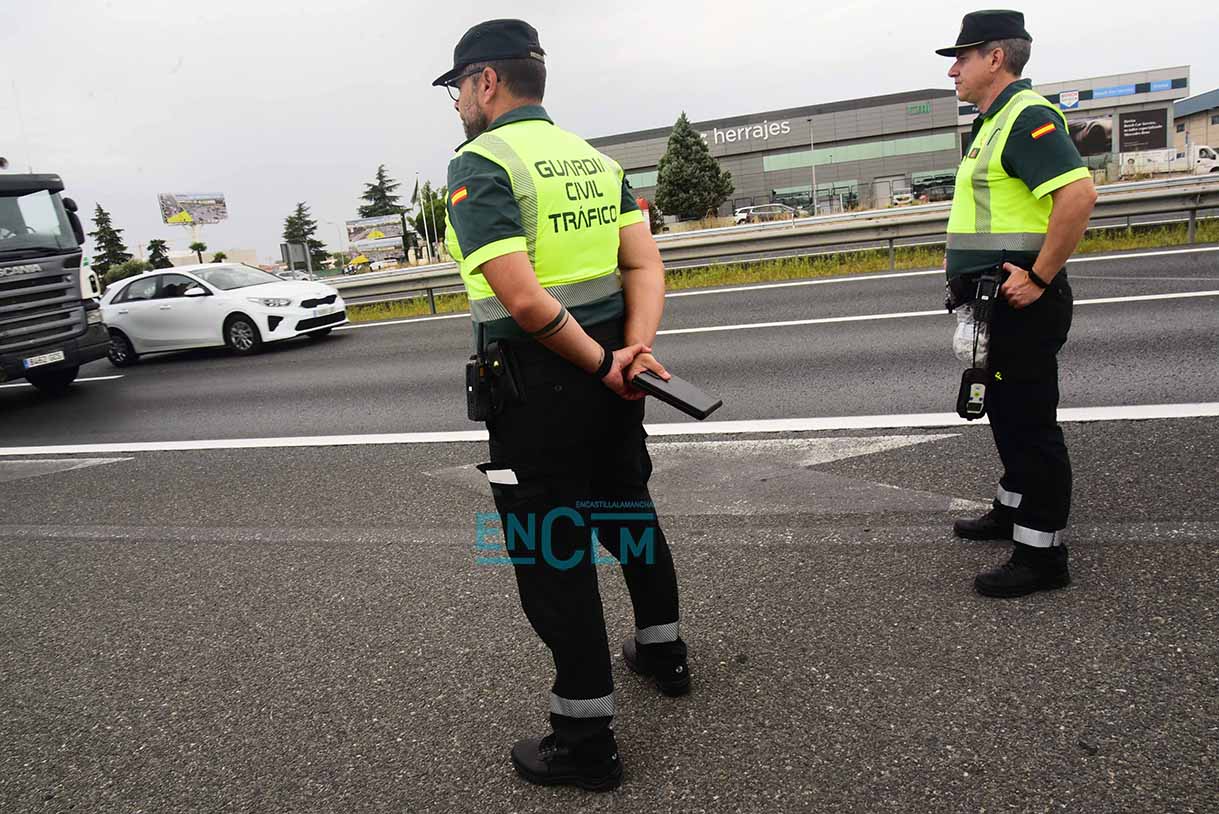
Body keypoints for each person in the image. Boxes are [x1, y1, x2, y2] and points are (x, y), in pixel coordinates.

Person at [433, 19, 689, 791]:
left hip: (539, 382)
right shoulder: (594, 160)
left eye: (455, 90)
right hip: (616, 372)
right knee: (627, 510)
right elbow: (643, 262)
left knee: (551, 550)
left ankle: (585, 740)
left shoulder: (480, 165)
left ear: (484, 82)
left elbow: (516, 292)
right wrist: (631, 354)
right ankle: (664, 652)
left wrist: (599, 362)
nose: (455, 107)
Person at [937, 10, 1097, 597]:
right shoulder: (993, 121)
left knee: (1031, 425)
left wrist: (1038, 275)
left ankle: (1042, 555)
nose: (954, 69)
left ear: (995, 58)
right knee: (1005, 412)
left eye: (963, 56)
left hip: (1020, 303)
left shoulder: (1026, 117)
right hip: (992, 306)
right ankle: (1013, 507)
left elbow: (1078, 196)